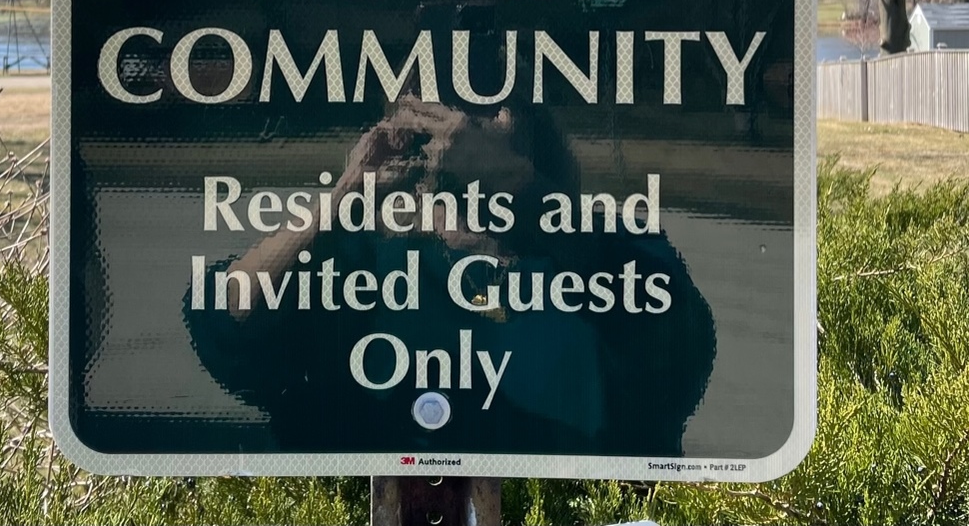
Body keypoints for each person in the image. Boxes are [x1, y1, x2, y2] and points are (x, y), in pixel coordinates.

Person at [183, 96, 716, 458]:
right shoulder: (363, 263)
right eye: (440, 111)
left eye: (488, 110)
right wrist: (341, 199)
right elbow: (225, 323)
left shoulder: (590, 254)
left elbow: (677, 341)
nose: (461, 125)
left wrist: (519, 191)